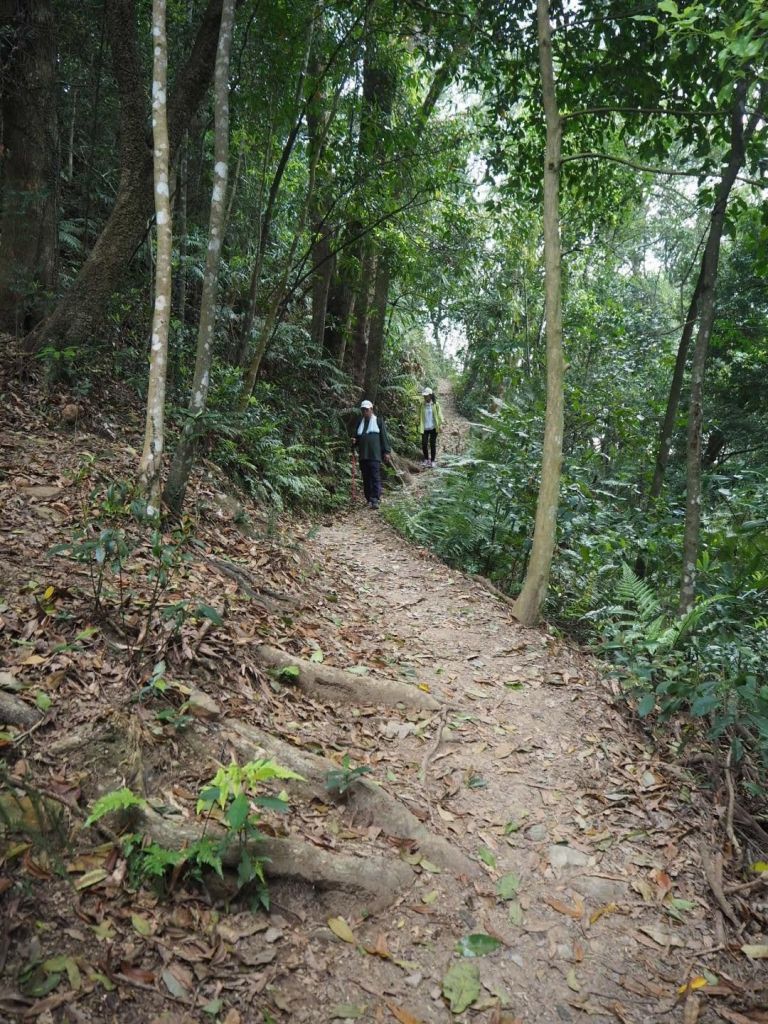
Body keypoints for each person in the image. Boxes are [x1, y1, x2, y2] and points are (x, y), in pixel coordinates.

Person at [353, 399, 392, 509]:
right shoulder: (360, 422)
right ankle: (369, 498)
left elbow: (383, 437)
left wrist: (386, 451)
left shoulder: (378, 421)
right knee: (366, 478)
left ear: (371, 409)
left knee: (375, 476)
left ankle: (375, 499)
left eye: (366, 410)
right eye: (363, 410)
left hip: (374, 455)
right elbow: (356, 437)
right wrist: (354, 441)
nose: (365, 412)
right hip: (363, 455)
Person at [419, 387, 443, 467]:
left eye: (426, 396)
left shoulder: (436, 404)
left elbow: (439, 415)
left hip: (433, 427)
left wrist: (440, 425)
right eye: (424, 396)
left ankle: (432, 461)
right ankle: (426, 459)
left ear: (430, 395)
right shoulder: (422, 404)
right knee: (424, 443)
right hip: (425, 427)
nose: (425, 397)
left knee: (433, 444)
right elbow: (419, 414)